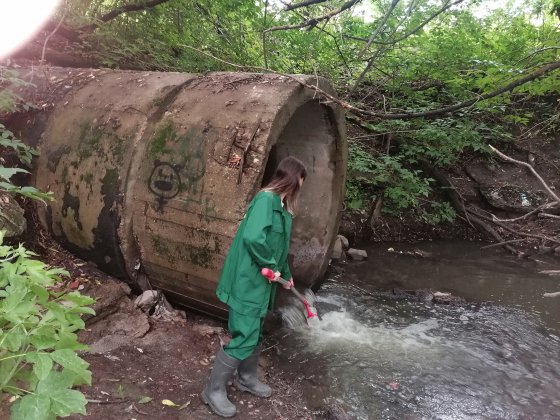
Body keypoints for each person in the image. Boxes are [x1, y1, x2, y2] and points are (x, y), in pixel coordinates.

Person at [201, 156, 307, 417]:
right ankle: (212, 391)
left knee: (255, 331)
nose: (301, 188)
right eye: (301, 182)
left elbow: (278, 249)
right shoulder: (266, 201)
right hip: (248, 281)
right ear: (293, 179)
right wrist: (270, 266)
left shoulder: (282, 209)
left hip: (262, 284)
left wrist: (287, 275)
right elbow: (253, 239)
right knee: (245, 333)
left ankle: (246, 378)